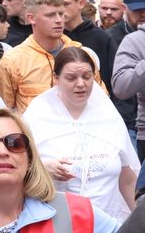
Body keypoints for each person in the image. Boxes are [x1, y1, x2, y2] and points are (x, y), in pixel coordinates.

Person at [23, 47, 138, 221]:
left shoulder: (108, 115)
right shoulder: (36, 117)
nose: (80, 84)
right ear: (56, 78)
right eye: (71, 78)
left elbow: (127, 178)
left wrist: (140, 222)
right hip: (58, 225)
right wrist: (42, 167)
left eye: (87, 76)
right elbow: (16, 170)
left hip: (108, 223)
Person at [0, 0, 87, 111]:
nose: (59, 20)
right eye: (50, 15)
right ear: (31, 18)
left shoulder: (81, 54)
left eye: (61, 14)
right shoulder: (13, 61)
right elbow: (3, 111)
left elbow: (99, 101)